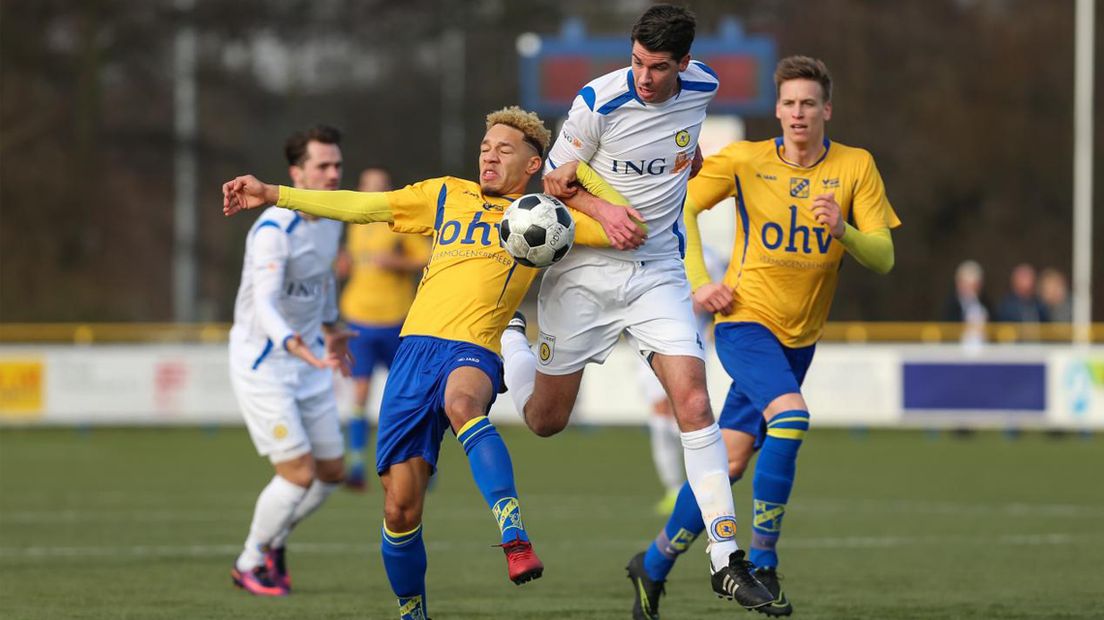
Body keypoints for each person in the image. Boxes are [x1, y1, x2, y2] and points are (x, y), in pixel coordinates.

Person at [222, 106, 624, 620]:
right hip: (414, 351)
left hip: (475, 344)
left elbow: (624, 228)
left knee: (463, 403)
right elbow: (361, 207)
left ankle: (514, 535)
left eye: (504, 149)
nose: (488, 155)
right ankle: (413, 613)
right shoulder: (444, 194)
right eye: (484, 148)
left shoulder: (548, 214)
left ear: (532, 164)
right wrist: (274, 193)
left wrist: (581, 183)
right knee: (399, 509)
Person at [498, 4, 775, 613]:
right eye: (637, 62)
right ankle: (512, 338)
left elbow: (681, 140)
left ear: (684, 63)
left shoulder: (703, 87)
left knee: (695, 400)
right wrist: (605, 212)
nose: (645, 77)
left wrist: (688, 160)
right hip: (583, 272)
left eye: (658, 67)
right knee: (545, 419)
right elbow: (553, 178)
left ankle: (726, 559)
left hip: (656, 272)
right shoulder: (596, 102)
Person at [626, 55, 901, 619]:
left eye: (808, 103)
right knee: (792, 418)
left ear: (827, 109)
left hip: (800, 341)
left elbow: (885, 257)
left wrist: (842, 229)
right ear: (776, 110)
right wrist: (700, 283)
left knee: (726, 464)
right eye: (789, 104)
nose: (798, 113)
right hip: (745, 324)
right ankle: (763, 562)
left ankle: (651, 564)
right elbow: (682, 207)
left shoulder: (856, 167)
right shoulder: (746, 161)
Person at [227, 125, 355, 597]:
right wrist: (292, 343)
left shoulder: (334, 219)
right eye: (322, 166)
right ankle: (249, 561)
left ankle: (273, 540)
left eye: (337, 165)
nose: (332, 173)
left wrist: (331, 325)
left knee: (331, 475)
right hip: (265, 362)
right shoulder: (273, 229)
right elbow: (266, 303)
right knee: (298, 475)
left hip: (310, 361)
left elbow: (321, 282)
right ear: (295, 174)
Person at [339, 168, 431, 490]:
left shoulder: (401, 222)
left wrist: (397, 264)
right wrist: (342, 265)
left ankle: (420, 462)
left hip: (397, 319)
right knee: (360, 392)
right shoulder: (354, 224)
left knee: (408, 395)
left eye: (381, 188)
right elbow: (351, 262)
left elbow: (427, 257)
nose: (374, 193)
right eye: (369, 187)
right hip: (359, 318)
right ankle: (356, 464)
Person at [642, 245, 728, 516]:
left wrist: (683, 299)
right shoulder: (653, 243)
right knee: (658, 413)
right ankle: (674, 488)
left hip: (690, 344)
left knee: (688, 411)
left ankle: (706, 474)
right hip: (647, 340)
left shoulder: (709, 257)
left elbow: (718, 296)